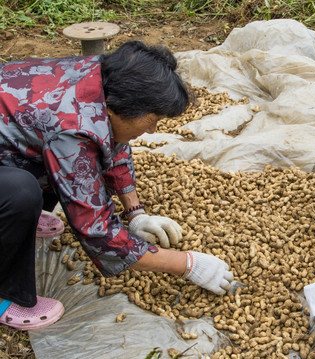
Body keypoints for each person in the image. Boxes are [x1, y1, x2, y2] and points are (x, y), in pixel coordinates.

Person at [0, 41, 233, 330]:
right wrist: (186, 264)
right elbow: (98, 233)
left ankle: (18, 219)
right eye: (152, 120)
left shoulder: (108, 76)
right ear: (121, 108)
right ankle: (5, 295)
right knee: (19, 192)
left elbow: (115, 141)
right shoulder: (73, 128)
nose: (152, 130)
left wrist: (136, 212)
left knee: (37, 172)